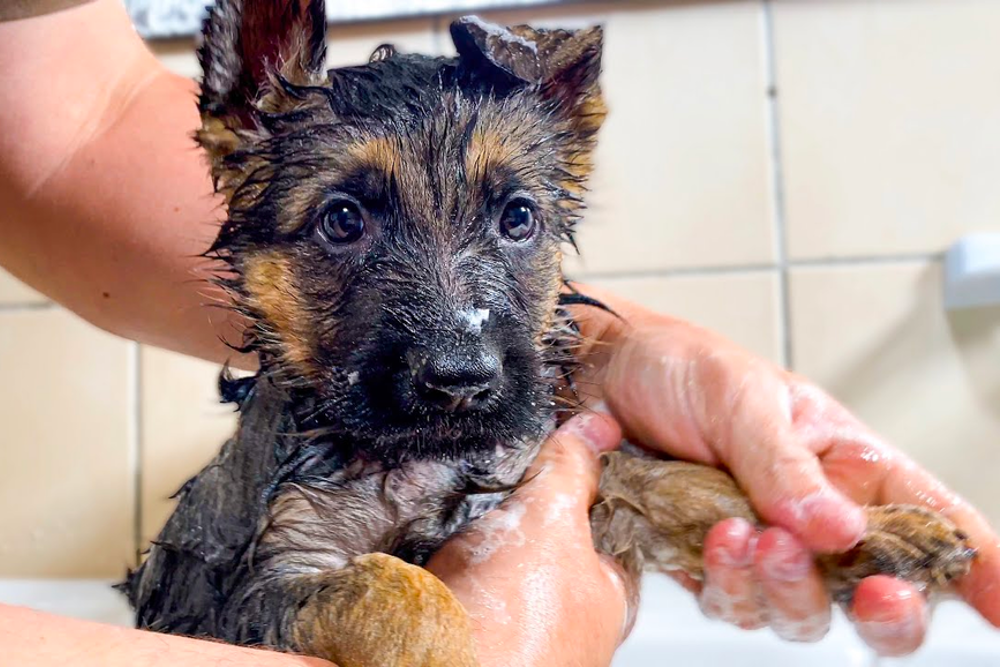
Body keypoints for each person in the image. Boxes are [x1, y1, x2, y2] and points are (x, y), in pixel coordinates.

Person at [0, 1, 997, 665]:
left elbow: (74, 123)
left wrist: (795, 515)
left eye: (514, 220)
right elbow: (286, 599)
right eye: (344, 224)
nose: (458, 349)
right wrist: (439, 639)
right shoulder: (291, 490)